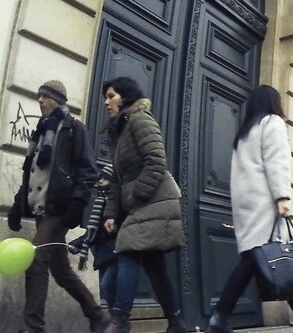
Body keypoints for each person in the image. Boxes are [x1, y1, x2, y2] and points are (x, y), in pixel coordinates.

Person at [206, 85, 293, 333]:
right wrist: (282, 196)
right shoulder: (272, 122)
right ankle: (219, 317)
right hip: (265, 201)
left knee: (272, 259)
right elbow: (277, 161)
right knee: (261, 258)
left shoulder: (244, 133)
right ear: (273, 102)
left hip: (247, 204)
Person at [7, 80, 109, 333]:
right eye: (39, 96)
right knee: (60, 270)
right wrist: (18, 204)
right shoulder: (41, 131)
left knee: (35, 259)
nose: (40, 101)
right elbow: (32, 173)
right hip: (42, 210)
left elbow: (88, 170)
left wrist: (77, 204)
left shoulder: (73, 129)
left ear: (57, 100)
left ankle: (33, 327)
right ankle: (98, 316)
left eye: (45, 96)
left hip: (59, 210)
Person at [100, 77, 187, 333]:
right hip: (141, 205)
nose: (106, 102)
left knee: (128, 252)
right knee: (154, 266)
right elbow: (118, 177)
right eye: (106, 97)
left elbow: (156, 161)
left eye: (111, 96)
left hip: (156, 201)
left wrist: (135, 195)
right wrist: (112, 213)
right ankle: (176, 322)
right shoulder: (119, 130)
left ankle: (119, 321)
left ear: (125, 97)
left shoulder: (140, 120)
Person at [68, 164, 120, 311]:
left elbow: (102, 231)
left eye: (105, 178)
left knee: (108, 286)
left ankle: (120, 321)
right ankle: (117, 323)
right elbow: (93, 230)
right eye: (100, 178)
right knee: (106, 290)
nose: (100, 182)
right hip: (103, 255)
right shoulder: (99, 203)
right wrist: (78, 244)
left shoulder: (116, 203)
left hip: (116, 252)